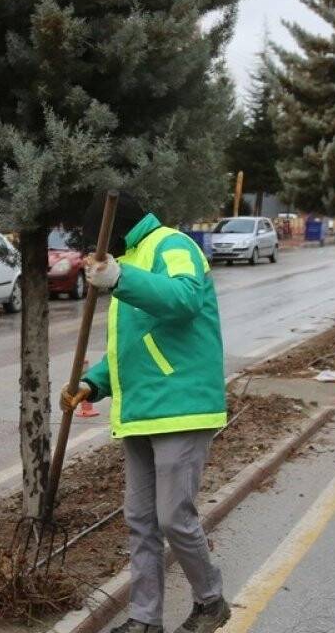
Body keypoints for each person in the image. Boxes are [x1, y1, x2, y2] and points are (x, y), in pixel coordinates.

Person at [61, 192, 230, 633]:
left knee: (174, 516)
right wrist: (91, 384)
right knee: (139, 521)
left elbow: (185, 299)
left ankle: (210, 600)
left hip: (182, 406)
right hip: (140, 409)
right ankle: (144, 620)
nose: (99, 252)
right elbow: (132, 348)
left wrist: (120, 279)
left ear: (116, 230)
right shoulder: (126, 263)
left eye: (99, 242)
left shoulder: (172, 246)